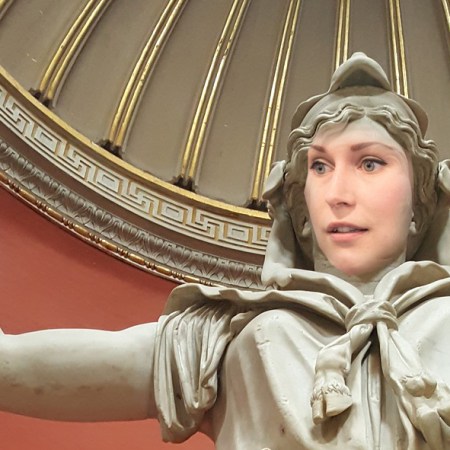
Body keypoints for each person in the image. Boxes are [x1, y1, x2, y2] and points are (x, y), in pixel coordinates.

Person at [1, 53, 450, 449]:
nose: (339, 193)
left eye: (370, 163)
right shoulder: (227, 337)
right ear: (300, 211)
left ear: (419, 206)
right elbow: (21, 369)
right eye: (320, 166)